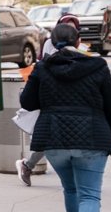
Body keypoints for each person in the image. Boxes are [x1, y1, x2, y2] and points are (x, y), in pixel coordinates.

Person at [18, 21, 111, 212]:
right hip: (92, 136)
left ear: (52, 43)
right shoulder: (97, 65)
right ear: (79, 41)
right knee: (89, 195)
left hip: (53, 138)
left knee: (71, 190)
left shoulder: (42, 68)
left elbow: (27, 102)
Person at [16, 12, 82, 186]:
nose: (70, 30)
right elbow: (30, 95)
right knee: (48, 138)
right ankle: (28, 165)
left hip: (68, 104)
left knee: (58, 139)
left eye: (74, 28)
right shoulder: (48, 54)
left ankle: (31, 166)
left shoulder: (84, 60)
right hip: (51, 103)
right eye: (67, 26)